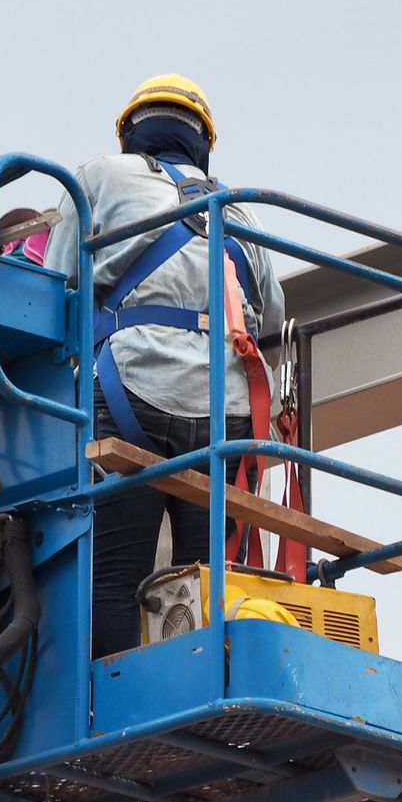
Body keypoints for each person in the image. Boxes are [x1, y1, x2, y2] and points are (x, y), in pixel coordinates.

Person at [44, 74, 285, 657]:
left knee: (116, 572)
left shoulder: (98, 175)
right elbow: (273, 314)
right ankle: (198, 698)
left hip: (131, 395)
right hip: (224, 417)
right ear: (203, 141)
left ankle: (109, 711)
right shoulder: (242, 210)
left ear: (131, 133)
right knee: (203, 578)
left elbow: (52, 285)